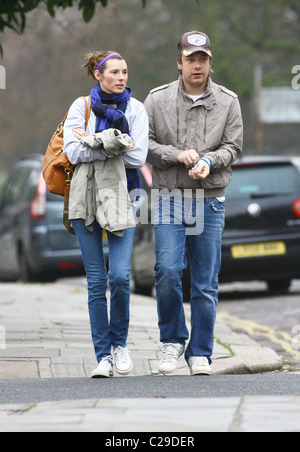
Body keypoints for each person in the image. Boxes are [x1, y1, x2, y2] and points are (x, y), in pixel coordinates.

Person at [144, 31, 243, 376]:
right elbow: (144, 145)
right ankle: (172, 340)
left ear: (210, 63)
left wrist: (211, 160)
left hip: (210, 199)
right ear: (179, 63)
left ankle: (200, 351)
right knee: (168, 271)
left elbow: (234, 146)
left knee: (205, 281)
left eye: (203, 59)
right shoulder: (156, 101)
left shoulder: (229, 101)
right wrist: (175, 154)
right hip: (170, 196)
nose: (197, 65)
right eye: (191, 59)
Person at [63, 51, 149, 378]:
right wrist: (114, 142)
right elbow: (72, 151)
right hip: (84, 197)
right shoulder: (80, 106)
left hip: (123, 197)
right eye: (114, 71)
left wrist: (93, 142)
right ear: (99, 75)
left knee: (120, 278)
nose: (121, 77)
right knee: (97, 282)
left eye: (125, 71)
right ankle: (103, 356)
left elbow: (137, 156)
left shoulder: (136, 109)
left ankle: (120, 345)